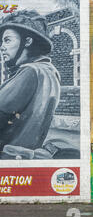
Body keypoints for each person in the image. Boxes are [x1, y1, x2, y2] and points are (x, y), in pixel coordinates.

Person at [0, 10, 61, 158]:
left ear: (27, 42)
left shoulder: (30, 72)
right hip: (27, 155)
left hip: (9, 156)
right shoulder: (50, 71)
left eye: (7, 40)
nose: (2, 47)